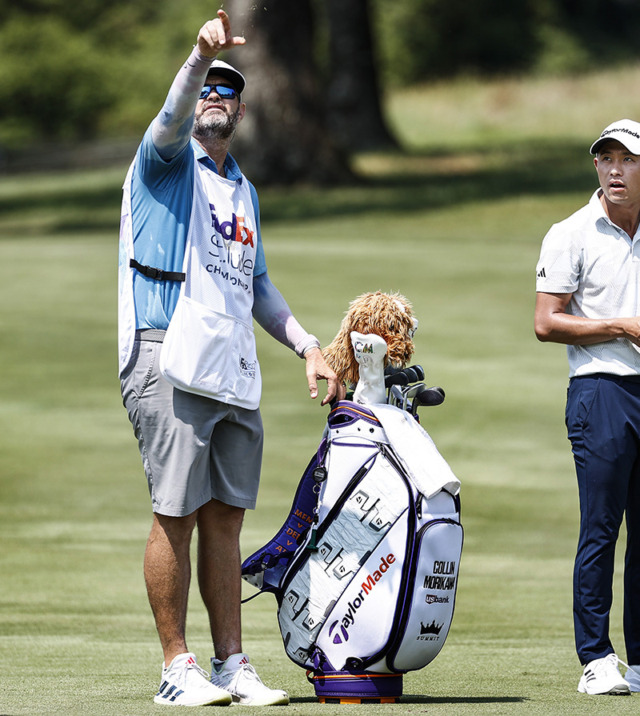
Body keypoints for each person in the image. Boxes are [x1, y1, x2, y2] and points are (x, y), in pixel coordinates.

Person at [117, 10, 345, 707]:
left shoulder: (242, 189)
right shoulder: (163, 160)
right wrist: (197, 56)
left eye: (227, 91)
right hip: (166, 355)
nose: (215, 97)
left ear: (242, 110)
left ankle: (230, 664)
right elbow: (169, 114)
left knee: (224, 519)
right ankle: (175, 668)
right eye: (206, 88)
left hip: (229, 367)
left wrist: (308, 345)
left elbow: (259, 285)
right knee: (175, 512)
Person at [534, 119, 640, 696]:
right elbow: (546, 321)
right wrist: (618, 326)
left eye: (628, 160)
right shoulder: (570, 233)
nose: (614, 169)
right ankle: (596, 659)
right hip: (601, 391)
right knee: (601, 529)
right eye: (605, 158)